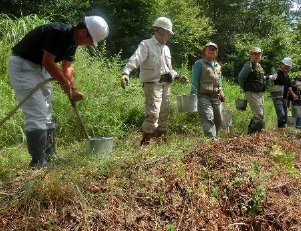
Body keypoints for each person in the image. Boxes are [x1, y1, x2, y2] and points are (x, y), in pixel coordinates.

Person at [8, 16, 109, 169]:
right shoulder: (58, 32)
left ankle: (50, 155)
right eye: (90, 40)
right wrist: (64, 82)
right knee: (38, 111)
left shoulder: (73, 42)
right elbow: (48, 61)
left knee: (47, 111)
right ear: (83, 32)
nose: (89, 44)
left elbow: (67, 66)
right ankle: (38, 162)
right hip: (23, 66)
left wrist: (72, 89)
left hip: (39, 68)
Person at [120, 17, 189, 146]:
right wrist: (126, 72)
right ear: (160, 31)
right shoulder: (146, 45)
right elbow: (135, 59)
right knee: (153, 113)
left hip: (166, 84)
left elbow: (168, 69)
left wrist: (178, 76)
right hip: (152, 85)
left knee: (164, 112)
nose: (169, 36)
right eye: (168, 33)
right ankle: (144, 143)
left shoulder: (166, 49)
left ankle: (160, 141)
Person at [190, 42, 224, 141]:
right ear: (204, 51)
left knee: (219, 120)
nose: (211, 50)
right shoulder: (199, 63)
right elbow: (195, 79)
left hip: (216, 96)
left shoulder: (218, 65)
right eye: (209, 48)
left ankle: (214, 137)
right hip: (203, 96)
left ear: (216, 53)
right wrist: (193, 93)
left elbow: (219, 80)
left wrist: (221, 90)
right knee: (208, 118)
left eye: (213, 49)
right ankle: (212, 139)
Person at [238, 47, 276, 134]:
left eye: (259, 54)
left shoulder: (259, 66)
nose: (257, 56)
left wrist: (269, 77)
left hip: (259, 92)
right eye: (255, 54)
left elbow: (260, 78)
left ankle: (258, 134)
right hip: (251, 91)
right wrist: (244, 88)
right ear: (251, 55)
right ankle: (251, 133)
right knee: (259, 114)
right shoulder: (248, 65)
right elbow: (240, 77)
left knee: (261, 114)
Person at [271, 57, 298, 131]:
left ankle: (282, 130)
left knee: (285, 116)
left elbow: (289, 87)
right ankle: (280, 130)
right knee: (281, 114)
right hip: (277, 95)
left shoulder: (287, 76)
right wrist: (273, 77)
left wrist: (293, 95)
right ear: (282, 65)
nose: (287, 68)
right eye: (285, 66)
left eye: (288, 67)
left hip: (284, 97)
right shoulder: (277, 72)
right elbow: (273, 78)